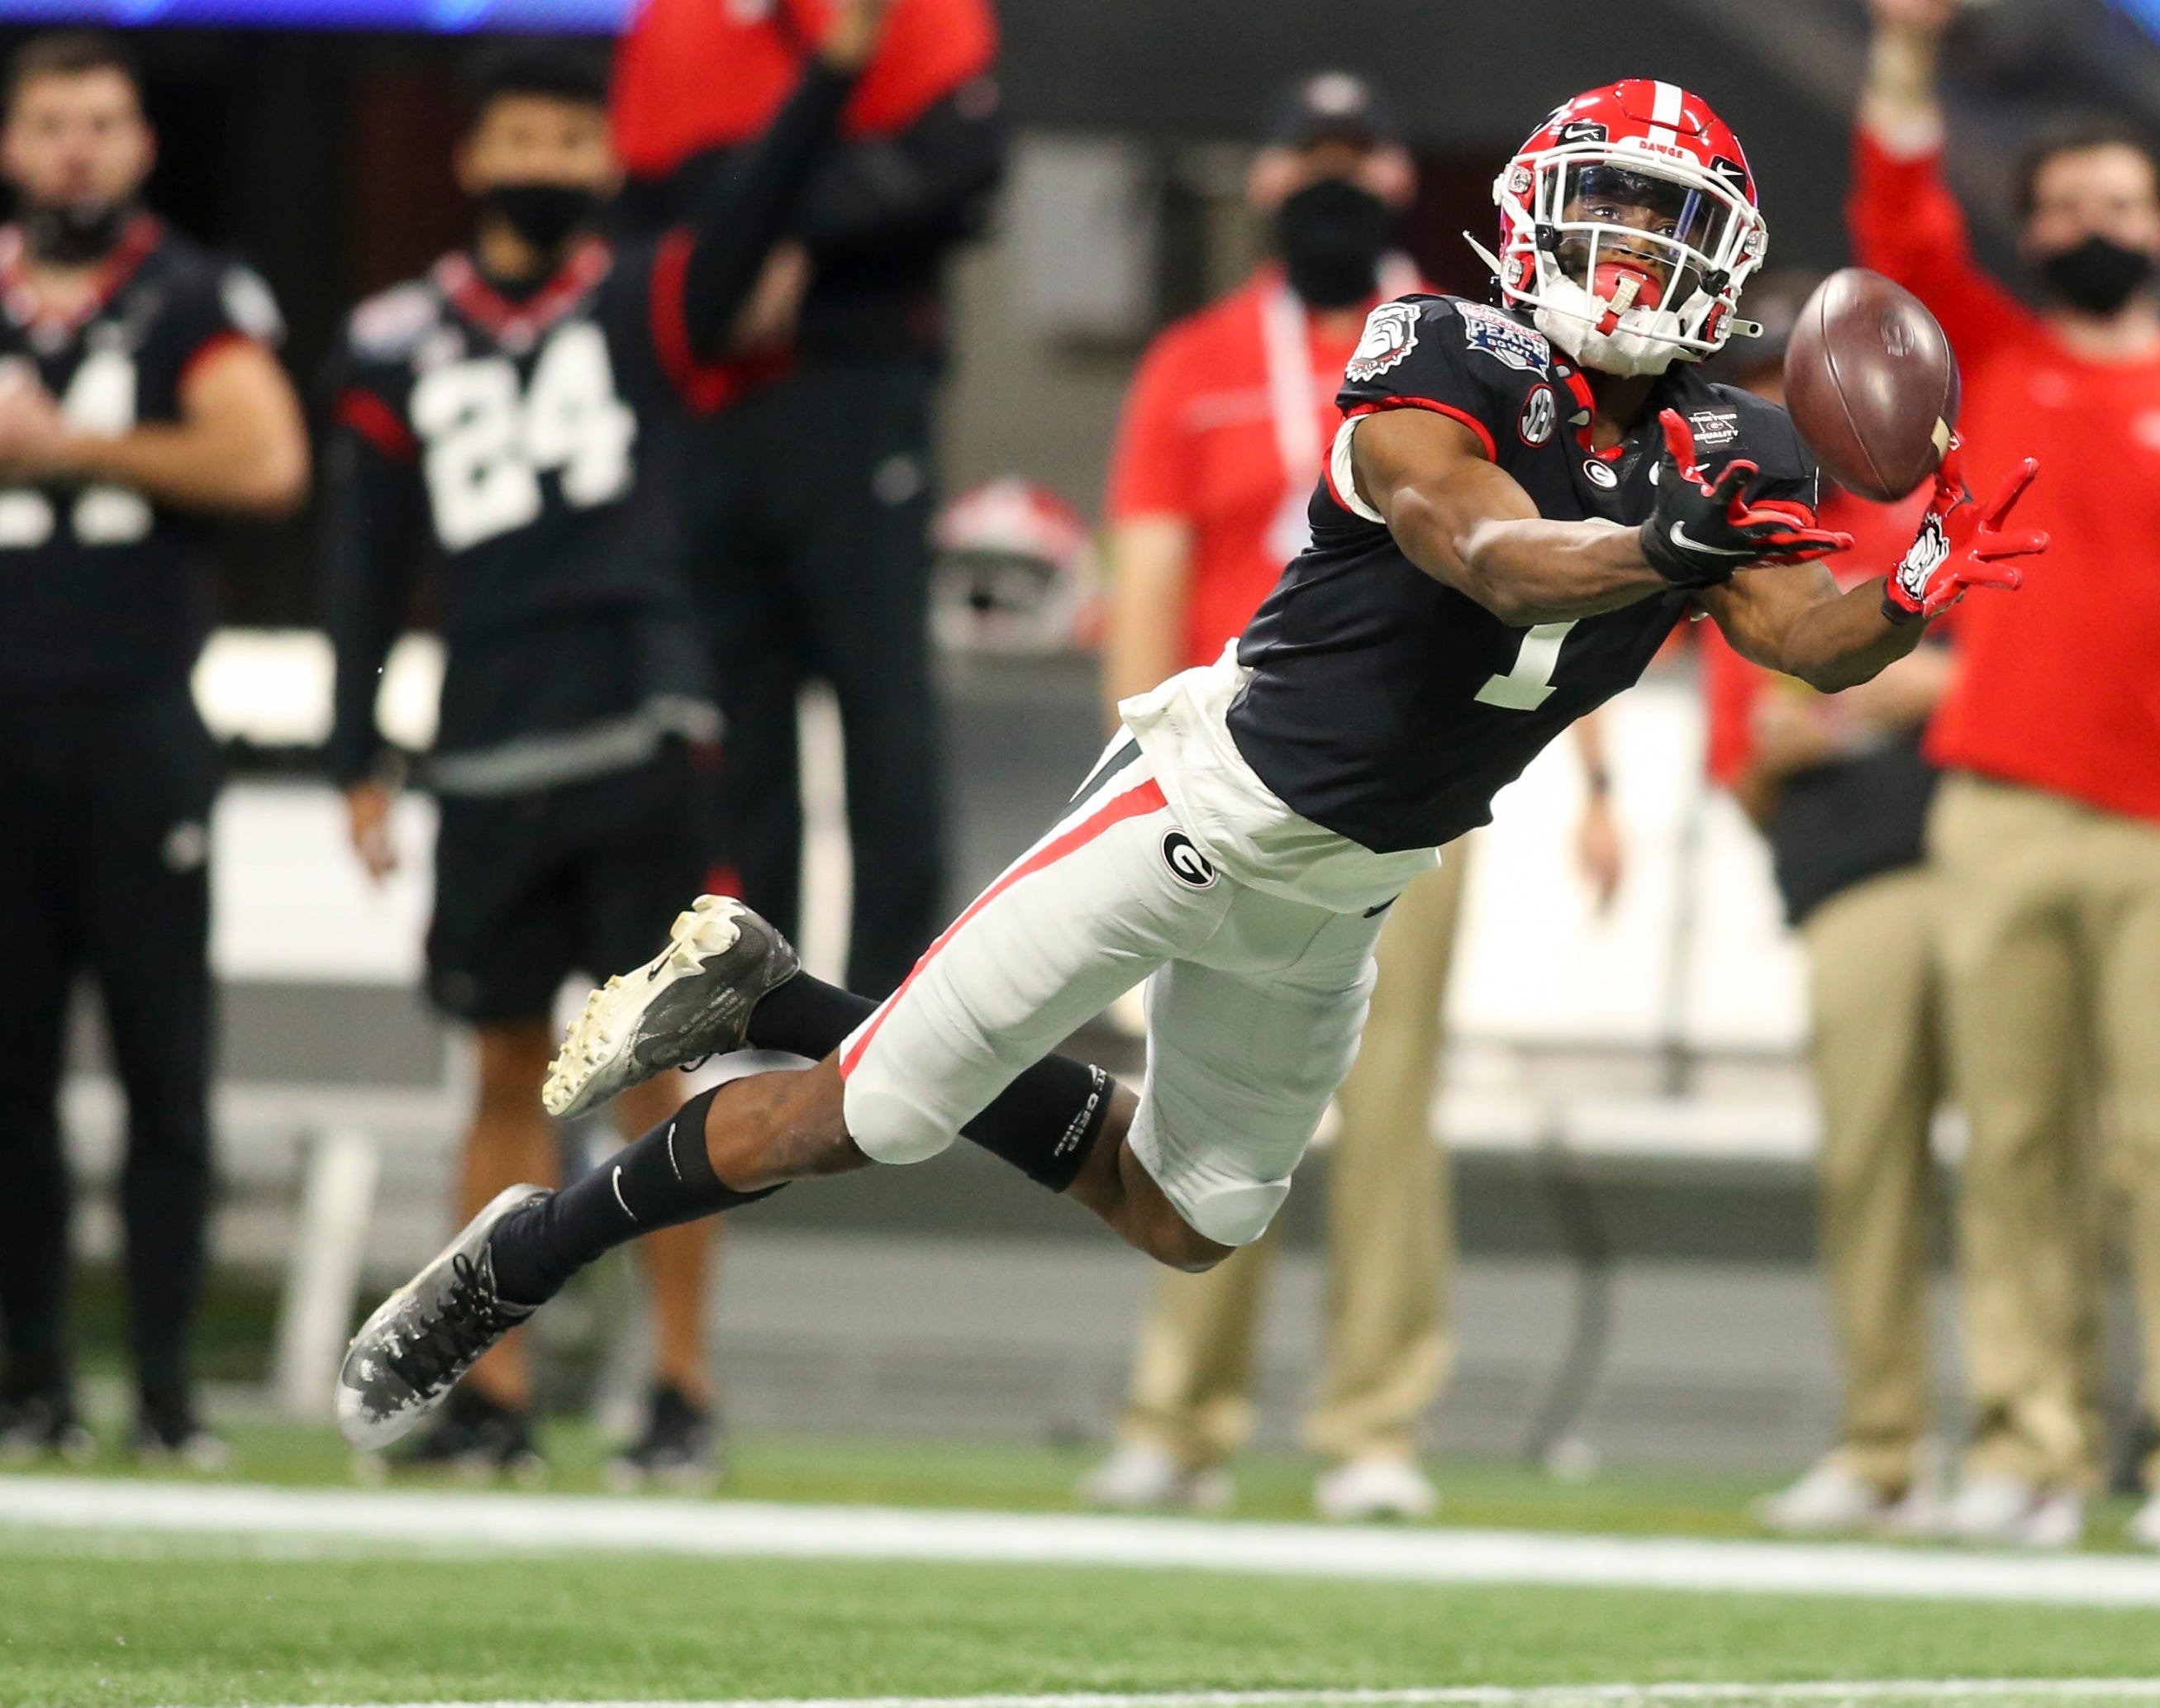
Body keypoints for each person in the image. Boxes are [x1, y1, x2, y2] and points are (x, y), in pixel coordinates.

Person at [333, 79, 2047, 1459]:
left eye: (1664, 223)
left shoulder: (1725, 439)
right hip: (1204, 804)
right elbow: (1484, 550)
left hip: (1350, 886)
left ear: (1723, 259)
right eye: (1601, 205)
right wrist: (1655, 548)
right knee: (873, 1116)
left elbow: (1794, 638)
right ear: (1528, 212)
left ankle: (774, 988)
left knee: (1184, 1218)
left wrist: (1899, 595)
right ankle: (522, 1252)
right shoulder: (1437, 347)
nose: (1624, 248)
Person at [322, 11, 880, 1484]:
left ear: (604, 157)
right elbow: (363, 565)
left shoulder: (642, 300)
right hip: (493, 738)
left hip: (642, 723)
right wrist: (355, 744)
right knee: (504, 1067)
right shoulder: (392, 338)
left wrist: (831, 71)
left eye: (573, 140)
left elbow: (762, 202)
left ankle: (676, 1386)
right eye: (523, 139)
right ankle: (495, 1391)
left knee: (654, 1067)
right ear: (472, 156)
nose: (547, 162)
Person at [1078, 72, 1618, 1522]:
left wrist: (1601, 781)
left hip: (1415, 784)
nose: (1329, 183)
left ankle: (1375, 1423)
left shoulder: (1487, 354)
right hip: (1216, 772)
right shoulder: (1190, 361)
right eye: (1304, 159)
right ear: (1261, 184)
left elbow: (1564, 559)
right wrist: (1128, 755)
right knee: (1190, 1099)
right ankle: (1179, 1419)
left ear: (1397, 183)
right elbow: (1140, 576)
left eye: (1354, 160)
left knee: (1387, 1109)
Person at [1853, 0, 2160, 1552]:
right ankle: (2032, 1445)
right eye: (2066, 206)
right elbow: (1898, 227)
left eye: (2120, 204)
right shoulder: (1996, 367)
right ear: (2028, 232)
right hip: (2001, 807)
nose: (2093, 224)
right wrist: (1903, 59)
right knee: (2017, 1143)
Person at [0, 32, 307, 1468]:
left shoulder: (193, 291)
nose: (75, 149)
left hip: (135, 726)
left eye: (100, 123)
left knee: (160, 1071)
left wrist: (71, 450)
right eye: (50, 123)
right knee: (9, 1082)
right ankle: (31, 1378)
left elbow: (263, 458)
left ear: (140, 146)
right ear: (13, 145)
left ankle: (171, 1387)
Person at [611, 0, 1003, 998]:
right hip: (715, 405)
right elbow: (641, 207)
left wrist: (790, 245)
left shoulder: (912, 13)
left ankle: (892, 1010)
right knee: (734, 718)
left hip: (856, 388)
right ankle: (746, 1003)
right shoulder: (673, 23)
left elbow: (963, 172)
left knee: (882, 705)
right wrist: (723, 262)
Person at [1697, 272, 1946, 1536]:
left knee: (2032, 1155)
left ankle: (2031, 1441)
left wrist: (1853, 705)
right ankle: (1886, 1442)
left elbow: (1986, 670)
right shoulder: (1737, 549)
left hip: (1966, 850)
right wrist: (1866, 699)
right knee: (1872, 1165)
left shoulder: (1910, 512)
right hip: (1849, 874)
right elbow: (1748, 764)